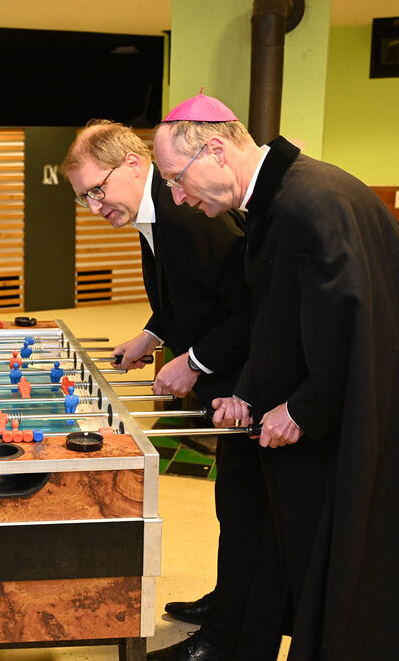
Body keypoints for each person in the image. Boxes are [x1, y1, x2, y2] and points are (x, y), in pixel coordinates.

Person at [152, 91, 399, 661]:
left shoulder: (308, 205)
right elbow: (280, 320)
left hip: (393, 407)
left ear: (215, 151)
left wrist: (302, 408)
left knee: (372, 563)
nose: (178, 197)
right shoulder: (282, 199)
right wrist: (250, 394)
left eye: (177, 179)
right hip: (361, 394)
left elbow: (353, 329)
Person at [62, 121, 261, 661]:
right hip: (227, 375)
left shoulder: (187, 216)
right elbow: (188, 294)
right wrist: (152, 335)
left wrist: (193, 363)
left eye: (96, 190)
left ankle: (228, 635)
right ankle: (228, 601)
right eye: (83, 198)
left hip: (249, 382)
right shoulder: (153, 210)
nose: (93, 207)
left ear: (132, 163)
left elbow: (252, 310)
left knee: (247, 510)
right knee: (234, 505)